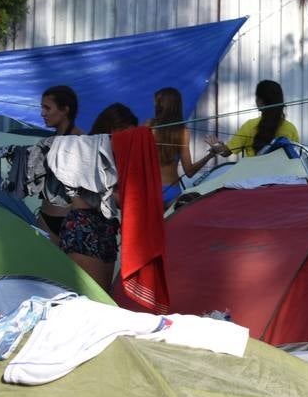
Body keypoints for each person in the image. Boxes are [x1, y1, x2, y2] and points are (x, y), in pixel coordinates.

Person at [59, 103, 138, 291]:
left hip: (106, 228)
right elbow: (99, 196)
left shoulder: (114, 155)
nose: (130, 141)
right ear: (114, 130)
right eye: (128, 135)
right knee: (93, 297)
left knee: (104, 296)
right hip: (84, 226)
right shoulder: (87, 150)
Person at [147, 87, 217, 205]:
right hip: (172, 192)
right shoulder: (183, 132)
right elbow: (189, 172)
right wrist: (210, 155)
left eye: (156, 102)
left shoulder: (148, 126)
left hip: (149, 191)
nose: (154, 105)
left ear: (161, 105)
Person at [206, 79, 300, 158]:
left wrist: (216, 145)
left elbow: (226, 152)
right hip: (283, 178)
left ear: (260, 101)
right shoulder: (290, 128)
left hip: (254, 178)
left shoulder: (250, 126)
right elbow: (296, 157)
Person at [37, 85, 83, 242]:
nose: (42, 113)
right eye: (42, 107)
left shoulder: (82, 141)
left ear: (65, 110)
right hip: (45, 217)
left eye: (47, 108)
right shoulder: (49, 141)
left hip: (70, 220)